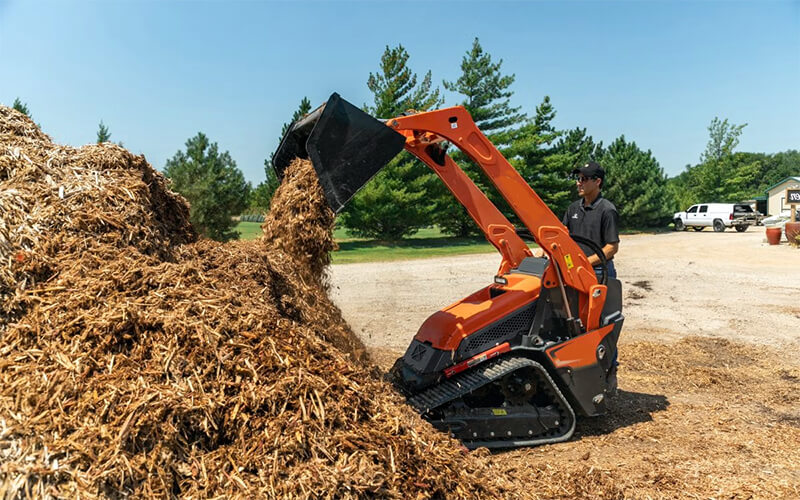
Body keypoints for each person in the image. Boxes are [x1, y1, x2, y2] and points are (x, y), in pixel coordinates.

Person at [533, 161, 620, 281]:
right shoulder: (573, 208)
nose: (578, 183)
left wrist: (586, 263)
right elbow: (561, 235)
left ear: (597, 182)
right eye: (578, 178)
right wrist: (544, 249)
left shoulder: (607, 210)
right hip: (573, 269)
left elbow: (612, 247)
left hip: (599, 271)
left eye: (583, 179)